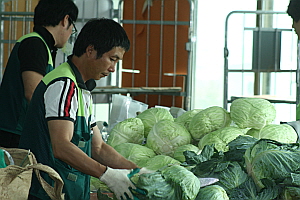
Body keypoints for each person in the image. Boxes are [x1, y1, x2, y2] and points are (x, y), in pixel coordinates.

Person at [19, 18, 151, 200]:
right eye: (112, 59)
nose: (113, 68)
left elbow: (98, 148)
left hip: (68, 192)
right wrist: (107, 174)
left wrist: (135, 171)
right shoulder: (63, 85)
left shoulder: (82, 90)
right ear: (90, 50)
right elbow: (61, 146)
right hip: (46, 193)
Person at [0, 0, 78, 148]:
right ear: (65, 20)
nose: (70, 34)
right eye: (72, 27)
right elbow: (33, 93)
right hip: (14, 134)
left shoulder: (41, 45)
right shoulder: (35, 44)